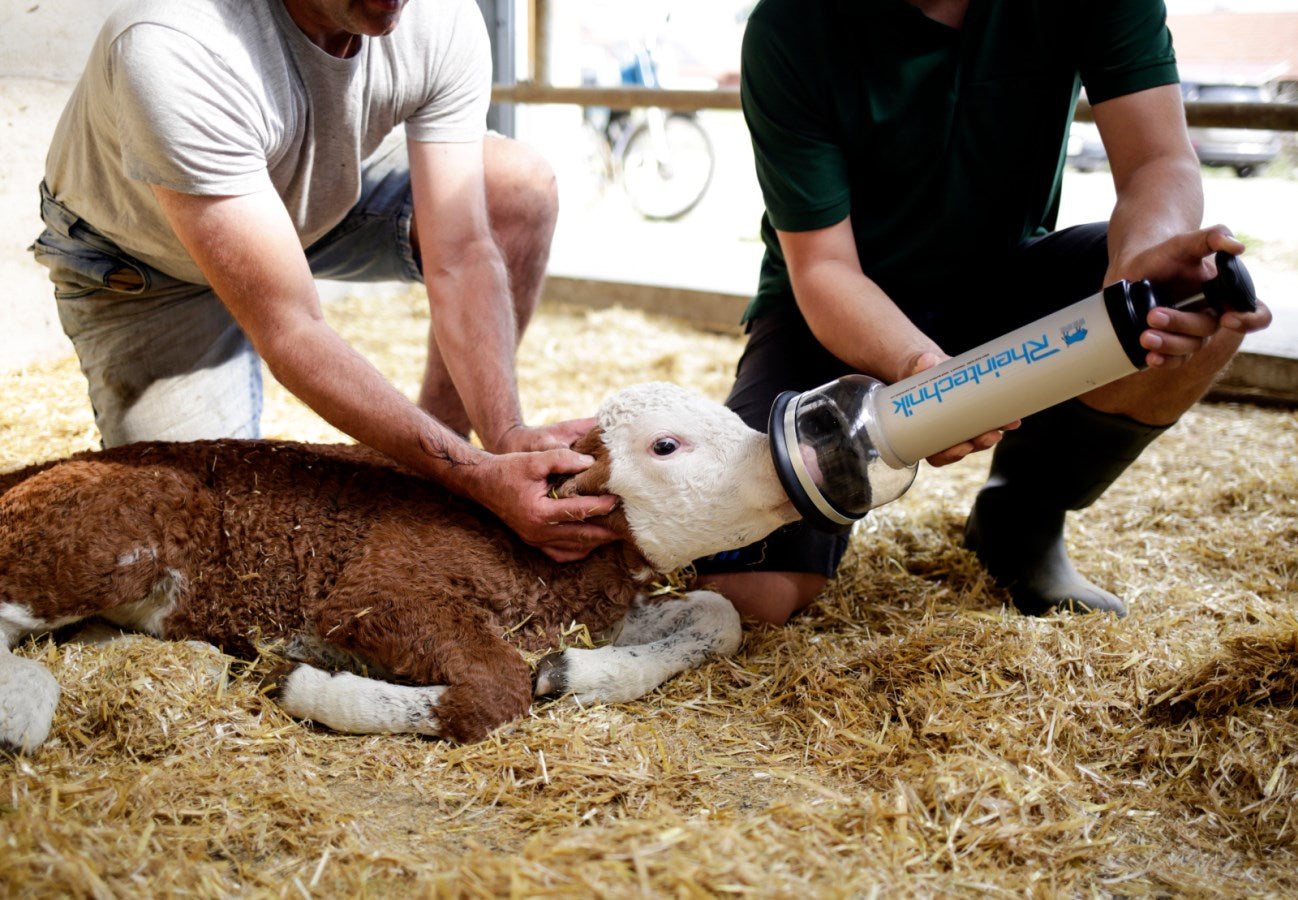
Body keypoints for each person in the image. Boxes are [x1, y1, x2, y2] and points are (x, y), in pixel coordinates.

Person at [694, 0, 1273, 624]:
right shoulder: (790, 24)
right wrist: (922, 369)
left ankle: (1021, 517)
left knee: (1191, 296)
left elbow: (1159, 160)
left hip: (1004, 278)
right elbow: (824, 267)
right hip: (842, 308)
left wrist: (1138, 272)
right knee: (752, 600)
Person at [30, 0, 618, 562]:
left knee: (513, 187)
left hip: (309, 203)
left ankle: (435, 474)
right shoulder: (172, 40)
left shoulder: (437, 15)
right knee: (207, 534)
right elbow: (291, 327)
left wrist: (501, 437)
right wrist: (475, 475)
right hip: (149, 264)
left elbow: (462, 252)